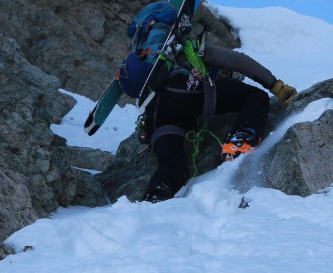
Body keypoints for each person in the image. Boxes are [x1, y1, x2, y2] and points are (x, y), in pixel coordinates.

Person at [123, 32, 297, 203]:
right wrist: (274, 84)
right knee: (255, 96)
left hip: (156, 115)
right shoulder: (190, 48)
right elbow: (237, 60)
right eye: (227, 74)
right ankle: (239, 142)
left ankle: (156, 195)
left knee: (173, 167)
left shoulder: (154, 58)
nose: (226, 77)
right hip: (184, 93)